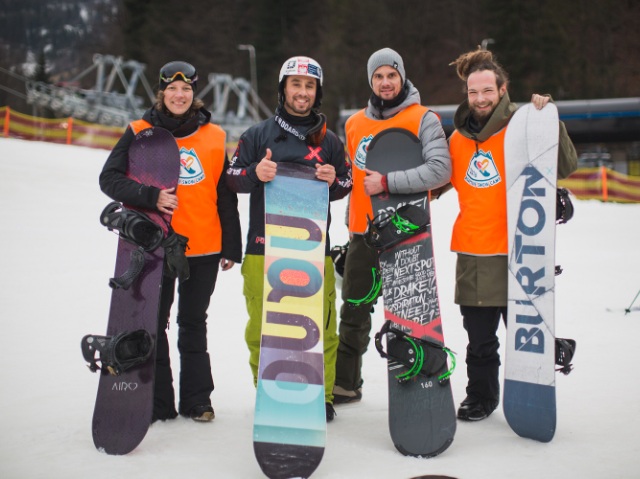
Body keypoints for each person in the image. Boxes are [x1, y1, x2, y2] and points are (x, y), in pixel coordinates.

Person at [100, 60, 242, 423]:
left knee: (193, 323)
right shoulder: (140, 131)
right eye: (172, 89)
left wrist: (231, 245)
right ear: (161, 93)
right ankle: (158, 401)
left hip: (205, 246)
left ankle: (197, 401)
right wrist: (150, 196)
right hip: (155, 246)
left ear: (194, 94)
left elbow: (224, 195)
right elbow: (109, 179)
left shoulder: (214, 136)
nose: (179, 95)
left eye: (187, 89)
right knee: (155, 322)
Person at [445, 48, 578, 421]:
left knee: (528, 341)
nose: (481, 98)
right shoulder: (456, 140)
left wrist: (548, 120)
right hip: (474, 253)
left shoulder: (525, 126)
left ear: (503, 89)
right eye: (473, 92)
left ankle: (534, 390)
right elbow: (434, 181)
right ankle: (481, 398)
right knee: (480, 340)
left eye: (488, 90)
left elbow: (565, 165)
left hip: (522, 252)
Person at [225, 56, 352, 422]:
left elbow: (347, 183)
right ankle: (267, 391)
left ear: (318, 92)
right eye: (295, 84)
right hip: (263, 249)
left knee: (321, 330)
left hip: (314, 250)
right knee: (263, 330)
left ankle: (322, 396)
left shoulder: (329, 140)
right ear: (283, 89)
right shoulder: (257, 134)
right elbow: (232, 178)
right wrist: (255, 172)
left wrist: (333, 179)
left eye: (309, 86)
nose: (302, 92)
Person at [334, 48, 452, 404]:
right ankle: (345, 382)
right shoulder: (354, 124)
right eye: (378, 76)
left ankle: (416, 380)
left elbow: (440, 170)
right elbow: (352, 179)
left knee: (410, 312)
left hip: (406, 233)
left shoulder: (423, 119)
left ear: (402, 77)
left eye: (391, 75)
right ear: (371, 81)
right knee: (354, 308)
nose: (386, 83)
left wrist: (387, 183)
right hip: (362, 233)